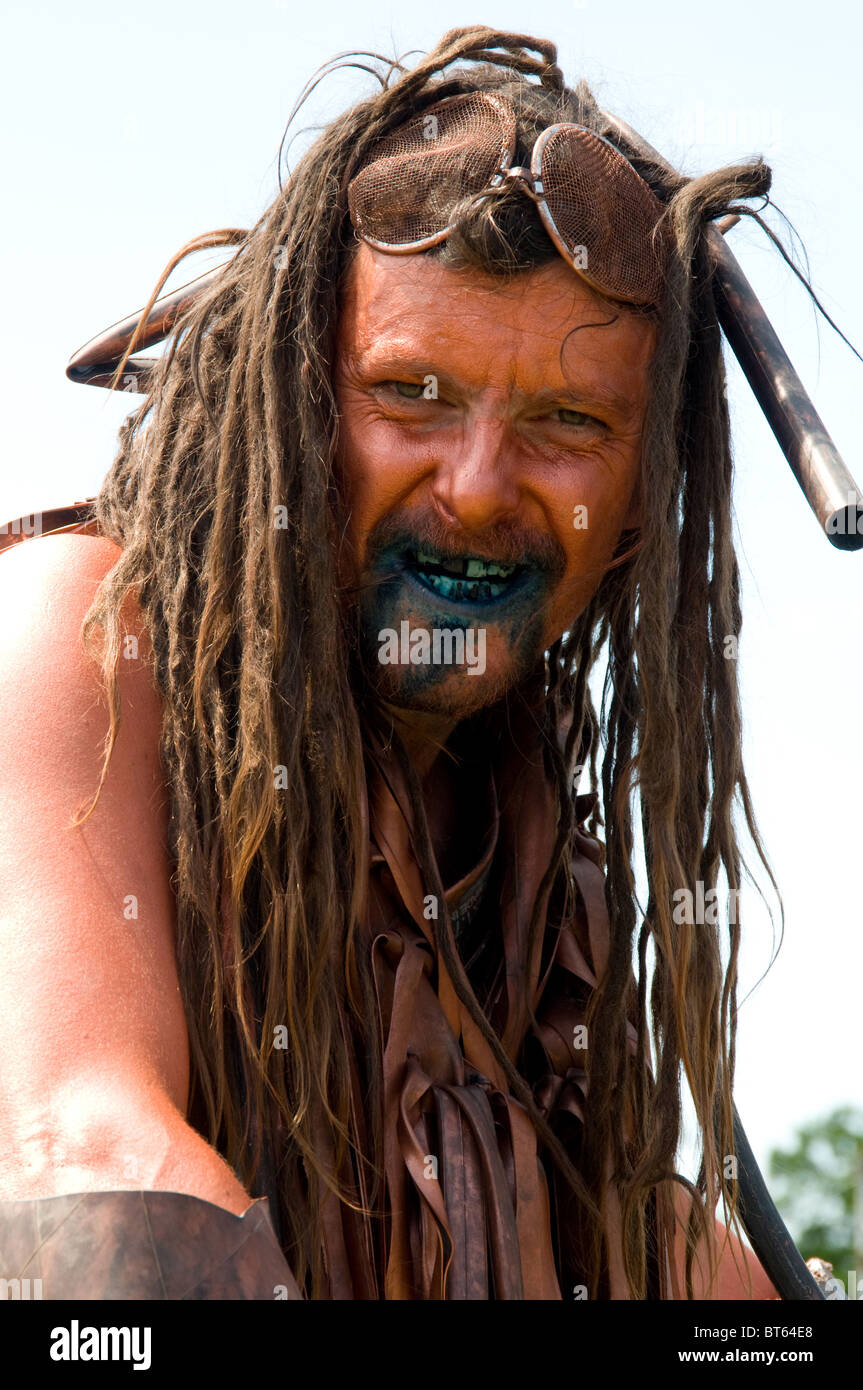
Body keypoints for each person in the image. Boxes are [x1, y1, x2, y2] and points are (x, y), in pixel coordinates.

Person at [0, 26, 780, 1300]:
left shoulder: (525, 831)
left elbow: (629, 1236)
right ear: (295, 408)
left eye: (565, 423)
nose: (476, 491)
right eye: (411, 393)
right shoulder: (86, 630)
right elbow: (79, 1162)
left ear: (639, 503)